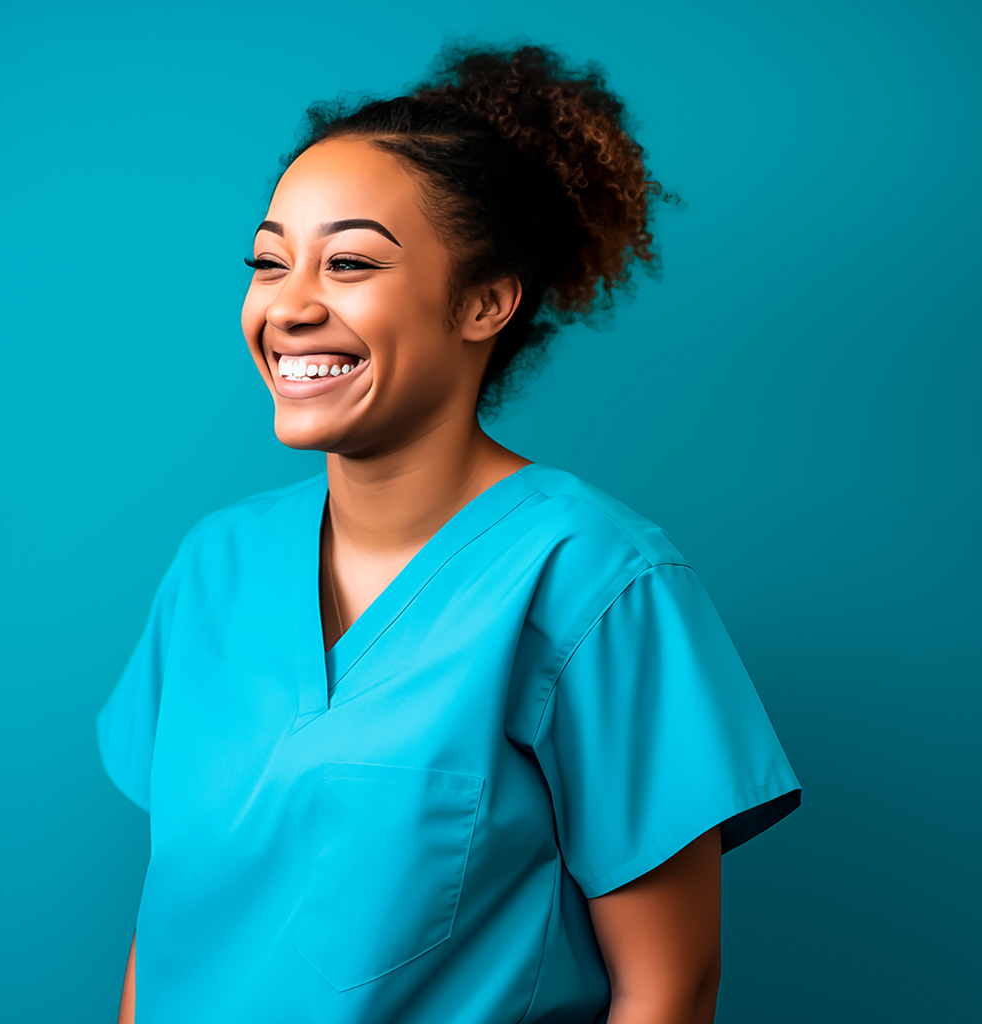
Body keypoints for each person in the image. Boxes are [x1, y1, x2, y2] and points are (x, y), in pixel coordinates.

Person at [97, 41, 801, 1024]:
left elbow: (667, 986)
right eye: (269, 261)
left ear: (484, 302)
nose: (290, 305)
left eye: (348, 263)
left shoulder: (595, 578)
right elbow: (175, 919)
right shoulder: (214, 566)